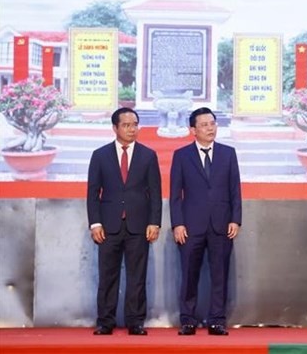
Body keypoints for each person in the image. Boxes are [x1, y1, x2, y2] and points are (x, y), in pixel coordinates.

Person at [87, 107, 162, 336]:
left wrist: (154, 222)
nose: (132, 129)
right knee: (108, 275)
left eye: (135, 124)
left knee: (137, 276)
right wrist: (95, 223)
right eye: (127, 125)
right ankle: (105, 322)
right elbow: (93, 193)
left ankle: (135, 322)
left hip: (138, 226)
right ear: (115, 128)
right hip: (108, 227)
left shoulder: (148, 155)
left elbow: (155, 193)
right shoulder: (100, 155)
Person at [170, 107, 242, 336]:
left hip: (221, 225)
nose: (210, 128)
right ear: (192, 130)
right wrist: (177, 224)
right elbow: (174, 194)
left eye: (212, 123)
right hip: (190, 226)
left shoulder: (228, 154)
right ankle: (188, 320)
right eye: (204, 125)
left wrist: (235, 219)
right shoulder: (181, 156)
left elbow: (235, 191)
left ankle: (217, 320)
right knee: (189, 275)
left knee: (220, 275)